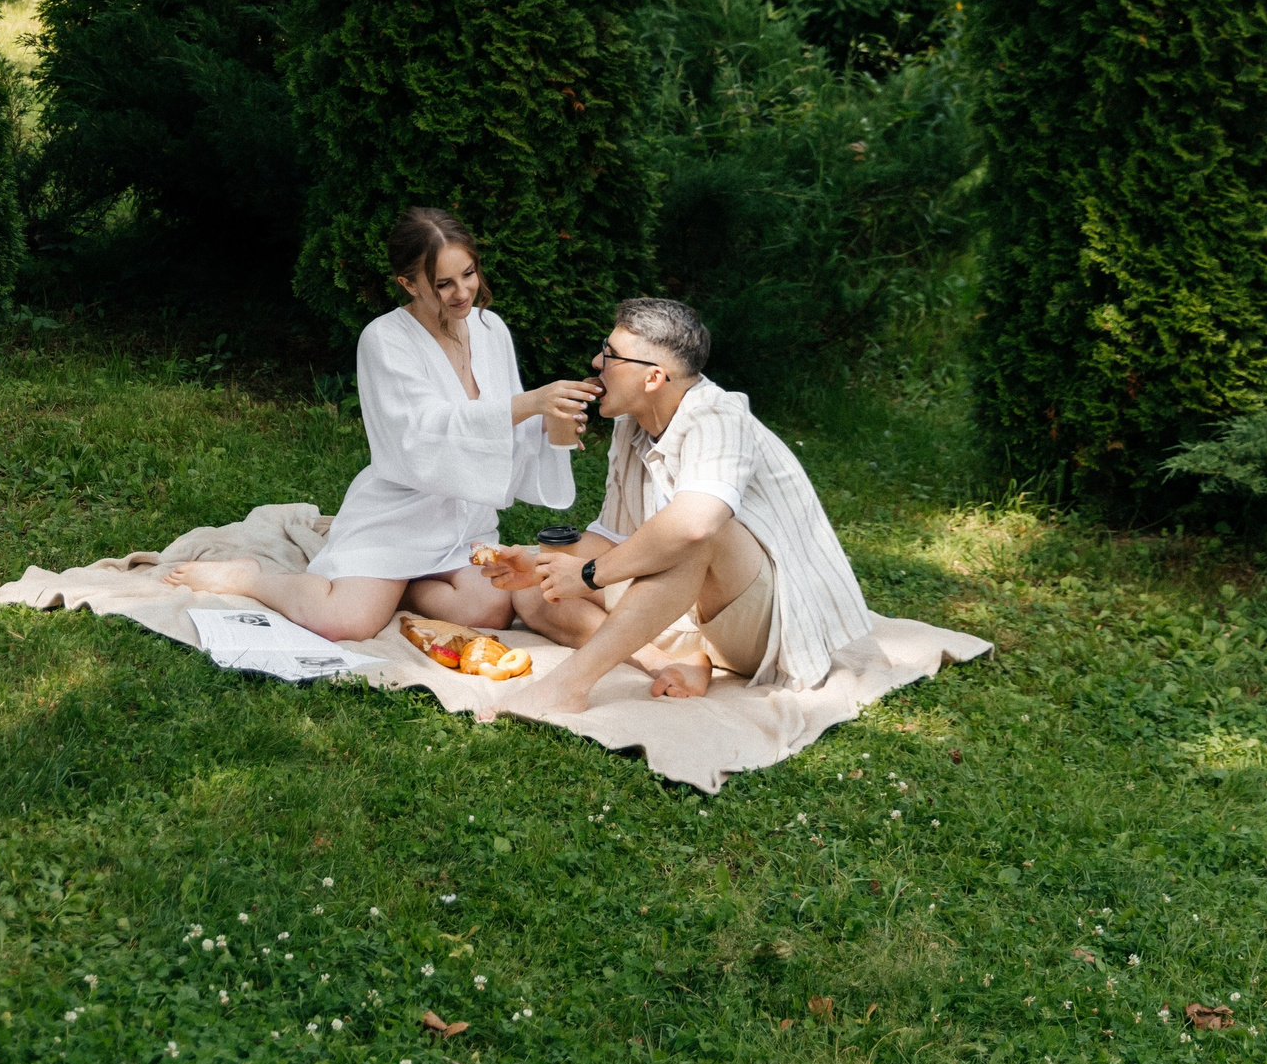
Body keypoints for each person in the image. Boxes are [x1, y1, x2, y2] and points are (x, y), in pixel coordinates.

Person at [166, 207, 600, 640]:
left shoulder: (490, 328)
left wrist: (550, 419)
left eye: (468, 274)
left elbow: (507, 427)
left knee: (489, 610)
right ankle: (252, 577)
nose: (463, 292)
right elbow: (422, 430)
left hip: (465, 516)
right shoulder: (384, 339)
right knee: (344, 623)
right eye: (443, 284)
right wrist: (528, 404)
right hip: (400, 514)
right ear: (408, 284)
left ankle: (399, 589)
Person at [477, 296, 873, 712]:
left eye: (611, 356)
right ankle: (671, 663)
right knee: (537, 595)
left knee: (697, 532)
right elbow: (612, 536)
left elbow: (694, 527)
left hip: (768, 625)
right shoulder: (632, 423)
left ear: (653, 378)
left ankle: (568, 685)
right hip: (685, 610)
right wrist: (540, 562)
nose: (596, 362)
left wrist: (590, 575)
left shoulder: (718, 418)